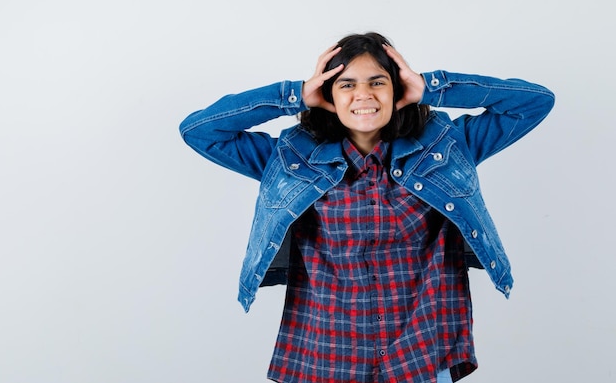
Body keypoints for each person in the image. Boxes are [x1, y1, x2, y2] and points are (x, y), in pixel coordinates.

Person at [179, 32, 555, 383]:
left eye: (377, 81)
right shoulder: (290, 157)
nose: (364, 95)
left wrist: (433, 88)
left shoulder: (446, 145)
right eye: (347, 84)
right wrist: (293, 94)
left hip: (422, 348)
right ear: (328, 95)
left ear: (398, 89)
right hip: (325, 352)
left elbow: (535, 102)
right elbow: (199, 131)